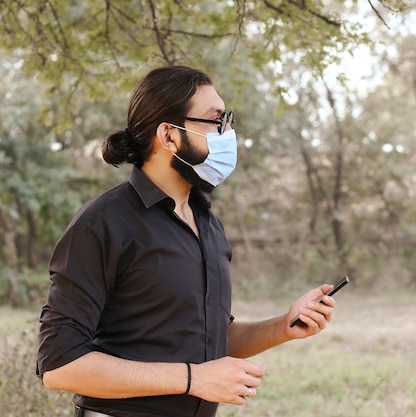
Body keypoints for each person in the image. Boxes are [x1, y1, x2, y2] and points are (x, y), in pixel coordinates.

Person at [37, 65, 338, 417]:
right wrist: (193, 379)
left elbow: (211, 339)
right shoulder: (101, 225)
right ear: (168, 136)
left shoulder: (207, 223)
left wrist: (283, 327)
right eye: (214, 122)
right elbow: (60, 367)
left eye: (227, 120)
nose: (227, 133)